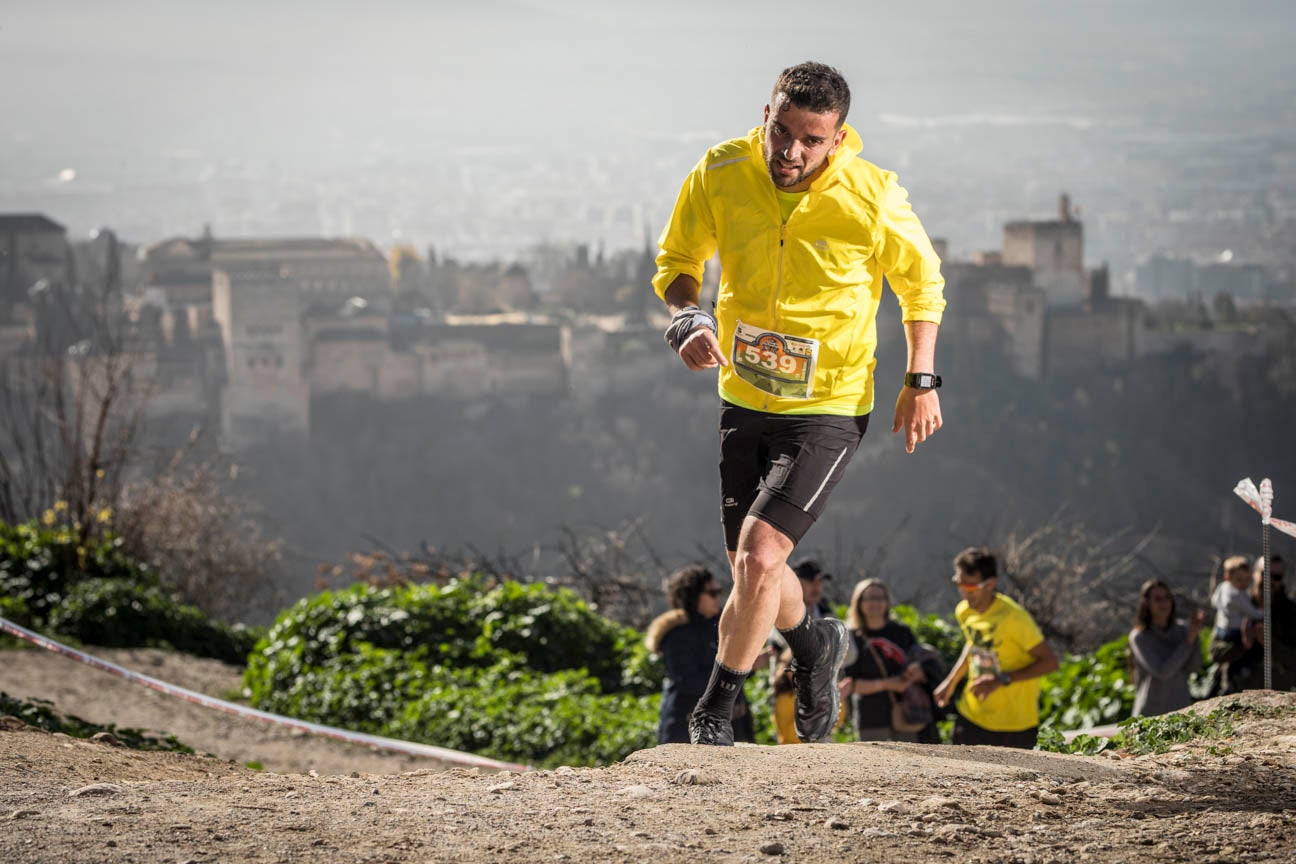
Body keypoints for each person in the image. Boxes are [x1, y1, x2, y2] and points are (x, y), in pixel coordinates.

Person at [653, 61, 947, 746]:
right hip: (744, 395)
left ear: (838, 140)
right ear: (765, 115)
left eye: (811, 140)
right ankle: (813, 644)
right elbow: (678, 261)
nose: (791, 152)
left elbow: (921, 285)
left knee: (758, 560)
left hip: (829, 404)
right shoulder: (721, 171)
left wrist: (922, 379)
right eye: (781, 132)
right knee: (753, 569)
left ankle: (715, 711)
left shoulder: (872, 196)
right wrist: (687, 319)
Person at [933, 547, 1059, 748]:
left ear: (990, 584)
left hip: (1014, 725)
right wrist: (951, 682)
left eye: (971, 587)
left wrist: (1001, 680)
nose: (964, 593)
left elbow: (1050, 663)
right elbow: (973, 644)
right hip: (971, 715)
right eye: (959, 584)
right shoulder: (964, 612)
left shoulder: (1014, 618)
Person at [645, 565, 755, 744]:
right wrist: (732, 670)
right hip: (686, 727)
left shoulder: (722, 627)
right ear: (693, 596)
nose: (718, 597)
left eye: (719, 591)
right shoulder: (677, 635)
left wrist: (750, 665)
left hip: (732, 724)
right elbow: (688, 682)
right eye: (712, 592)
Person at [838, 578, 942, 742]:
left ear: (887, 602)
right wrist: (889, 684)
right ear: (859, 602)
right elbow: (851, 684)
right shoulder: (851, 637)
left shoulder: (902, 632)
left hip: (907, 712)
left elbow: (918, 661)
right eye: (869, 598)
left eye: (880, 598)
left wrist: (917, 672)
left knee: (909, 764)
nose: (875, 603)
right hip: (871, 718)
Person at [1128, 579, 1204, 717]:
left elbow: (1194, 667)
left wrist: (1195, 637)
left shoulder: (1182, 630)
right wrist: (1188, 642)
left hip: (1182, 710)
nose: (1163, 603)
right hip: (1150, 715)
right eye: (1157, 599)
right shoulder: (1139, 637)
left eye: (1166, 598)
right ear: (1147, 604)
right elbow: (1162, 672)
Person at [1209, 554, 1264, 694]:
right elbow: (1252, 613)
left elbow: (1214, 601)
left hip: (1222, 628)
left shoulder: (1223, 587)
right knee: (1248, 652)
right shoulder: (1236, 596)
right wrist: (1264, 614)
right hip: (1234, 631)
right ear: (1228, 577)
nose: (1244, 584)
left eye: (1246, 580)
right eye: (1240, 580)